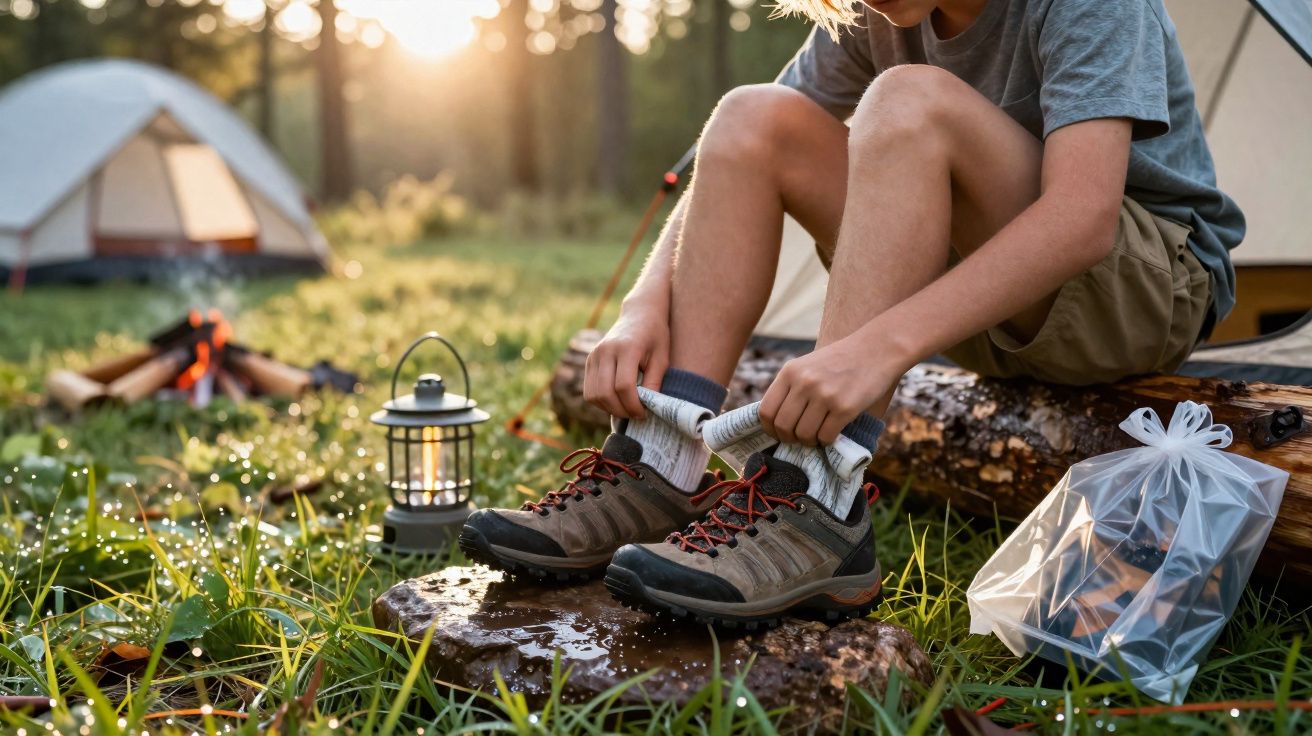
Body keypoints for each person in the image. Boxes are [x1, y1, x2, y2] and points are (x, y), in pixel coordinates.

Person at [459, 0, 1242, 627]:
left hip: (1140, 294)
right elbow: (741, 151)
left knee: (909, 100)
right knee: (749, 114)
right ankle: (660, 462)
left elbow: (1082, 218)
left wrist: (878, 346)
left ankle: (817, 504)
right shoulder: (879, 13)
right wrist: (641, 303)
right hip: (986, 300)